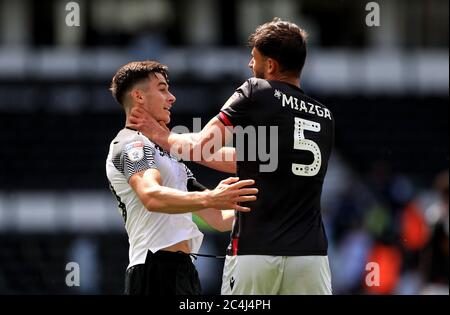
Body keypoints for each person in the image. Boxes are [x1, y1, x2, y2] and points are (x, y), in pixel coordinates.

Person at [129, 18, 334, 295]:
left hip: (256, 251)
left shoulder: (255, 91)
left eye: (254, 58)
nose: (251, 65)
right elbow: (253, 159)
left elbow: (203, 145)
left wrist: (162, 136)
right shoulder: (324, 115)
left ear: (270, 65)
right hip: (311, 257)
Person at [105, 60, 258, 295]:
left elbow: (217, 218)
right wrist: (212, 198)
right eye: (162, 88)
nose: (172, 97)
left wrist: (268, 211)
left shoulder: (168, 155)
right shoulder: (131, 143)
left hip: (182, 271)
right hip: (153, 270)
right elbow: (152, 197)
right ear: (139, 97)